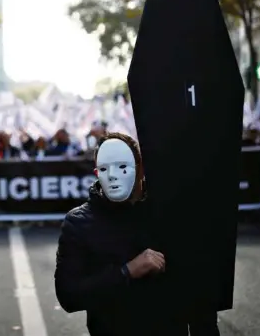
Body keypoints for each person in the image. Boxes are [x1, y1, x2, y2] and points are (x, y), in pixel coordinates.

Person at [54, 132, 186, 335]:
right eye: (105, 169)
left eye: (122, 167)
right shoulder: (79, 223)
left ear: (141, 169)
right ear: (97, 172)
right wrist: (126, 271)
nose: (113, 175)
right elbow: (68, 295)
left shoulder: (166, 213)